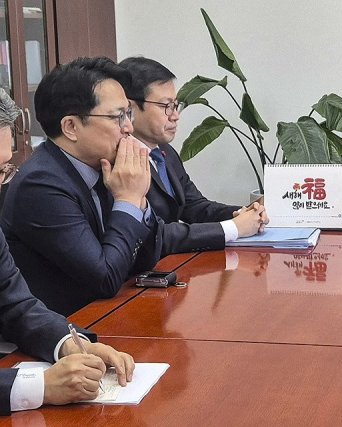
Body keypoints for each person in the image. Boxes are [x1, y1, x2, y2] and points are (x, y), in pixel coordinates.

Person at [0, 89, 135, 415]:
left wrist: (72, 344)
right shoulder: (43, 181)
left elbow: (16, 306)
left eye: (2, 169)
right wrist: (38, 387)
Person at [0, 57, 163, 316]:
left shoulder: (104, 167)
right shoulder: (41, 184)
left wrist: (138, 201)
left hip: (108, 314)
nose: (129, 127)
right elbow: (105, 279)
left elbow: (148, 257)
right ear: (71, 127)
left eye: (128, 114)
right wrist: (129, 200)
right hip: (69, 325)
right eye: (117, 117)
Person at [118, 57, 267, 256]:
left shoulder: (165, 151)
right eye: (166, 106)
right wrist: (233, 228)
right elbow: (154, 235)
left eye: (175, 105)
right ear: (129, 109)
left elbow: (196, 207)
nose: (175, 116)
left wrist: (245, 212)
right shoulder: (120, 162)